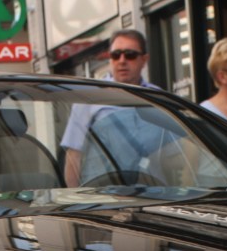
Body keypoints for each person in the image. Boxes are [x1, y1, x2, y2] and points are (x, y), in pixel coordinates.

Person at [62, 29, 163, 187]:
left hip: (157, 194)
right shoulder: (89, 98)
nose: (122, 60)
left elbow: (174, 155)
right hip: (106, 197)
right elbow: (74, 156)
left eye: (130, 54)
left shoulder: (158, 98)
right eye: (116, 55)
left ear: (144, 59)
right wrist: (76, 201)